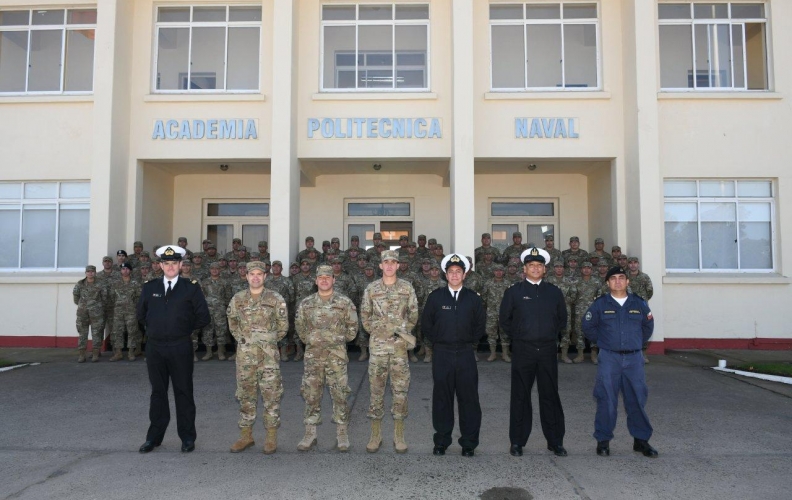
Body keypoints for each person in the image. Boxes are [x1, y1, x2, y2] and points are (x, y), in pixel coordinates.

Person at [137, 245, 210, 453]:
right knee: (158, 393)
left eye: (174, 263)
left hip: (180, 347)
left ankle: (187, 438)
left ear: (180, 265)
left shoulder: (191, 288)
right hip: (156, 348)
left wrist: (182, 329)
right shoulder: (149, 287)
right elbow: (141, 316)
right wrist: (157, 329)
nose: (170, 267)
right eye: (166, 263)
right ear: (160, 265)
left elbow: (204, 316)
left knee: (183, 392)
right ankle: (154, 437)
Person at [582, 266, 657, 458]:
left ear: (627, 281)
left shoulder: (639, 303)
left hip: (634, 358)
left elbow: (648, 326)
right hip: (609, 358)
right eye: (613, 278)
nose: (617, 281)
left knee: (637, 399)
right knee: (606, 399)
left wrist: (636, 343)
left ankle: (641, 441)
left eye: (621, 278)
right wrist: (603, 342)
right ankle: (603, 441)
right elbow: (588, 326)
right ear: (607, 283)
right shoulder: (600, 304)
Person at [499, 247, 568, 458]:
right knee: (520, 396)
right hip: (523, 350)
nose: (535, 268)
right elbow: (505, 320)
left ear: (544, 269)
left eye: (539, 265)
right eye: (531, 265)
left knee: (550, 396)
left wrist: (549, 336)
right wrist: (520, 337)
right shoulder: (514, 292)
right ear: (524, 269)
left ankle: (555, 441)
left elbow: (562, 320)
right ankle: (518, 441)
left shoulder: (554, 292)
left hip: (547, 350)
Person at [422, 254, 485, 457]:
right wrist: (439, 342)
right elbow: (426, 325)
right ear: (445, 274)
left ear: (464, 274)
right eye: (451, 272)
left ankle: (468, 443)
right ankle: (441, 441)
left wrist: (468, 342)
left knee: (469, 399)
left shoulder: (474, 299)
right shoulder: (435, 297)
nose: (455, 275)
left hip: (466, 353)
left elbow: (479, 327)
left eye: (458, 271)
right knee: (442, 398)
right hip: (442, 354)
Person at [360, 250, 419, 454]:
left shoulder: (406, 288)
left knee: (400, 390)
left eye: (393, 262)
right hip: (378, 347)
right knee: (376, 390)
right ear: (380, 266)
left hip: (399, 348)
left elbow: (413, 315)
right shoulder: (371, 288)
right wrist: (378, 331)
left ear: (399, 265)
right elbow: (365, 316)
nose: (390, 266)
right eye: (386, 262)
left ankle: (399, 434)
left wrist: (402, 332)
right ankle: (375, 435)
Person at [226, 261, 289, 454]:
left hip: (268, 357)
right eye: (251, 274)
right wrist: (246, 341)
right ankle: (246, 436)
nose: (255, 277)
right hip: (245, 358)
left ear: (265, 277)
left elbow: (283, 326)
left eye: (259, 274)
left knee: (271, 395)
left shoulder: (275, 298)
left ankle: (270, 437)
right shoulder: (238, 299)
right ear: (246, 276)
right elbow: (233, 323)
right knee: (246, 395)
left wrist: (266, 341)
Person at [294, 265, 358, 452]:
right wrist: (315, 340)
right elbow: (301, 329)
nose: (324, 280)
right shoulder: (306, 303)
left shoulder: (344, 302)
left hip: (336, 357)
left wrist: (331, 339)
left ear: (333, 280)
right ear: (315, 281)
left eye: (327, 277)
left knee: (340, 394)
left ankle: (342, 433)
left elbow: (353, 329)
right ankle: (310, 433)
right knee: (311, 394)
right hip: (313, 356)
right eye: (320, 277)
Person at [108, 263, 142, 361]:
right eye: (123, 269)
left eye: (127, 269)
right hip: (118, 311)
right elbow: (111, 297)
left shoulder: (135, 283)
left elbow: (139, 297)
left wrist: (132, 305)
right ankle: (118, 353)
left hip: (131, 311)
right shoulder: (115, 283)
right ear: (120, 271)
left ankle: (131, 352)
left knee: (132, 331)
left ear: (130, 271)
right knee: (118, 331)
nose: (125, 270)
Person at [73, 265, 106, 363]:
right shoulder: (80, 284)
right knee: (82, 333)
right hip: (83, 313)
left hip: (96, 313)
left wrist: (98, 306)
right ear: (85, 273)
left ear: (95, 273)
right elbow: (76, 297)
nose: (90, 273)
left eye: (92, 271)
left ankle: (95, 354)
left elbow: (104, 297)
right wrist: (83, 305)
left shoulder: (100, 284)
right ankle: (82, 355)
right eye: (88, 271)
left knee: (96, 333)